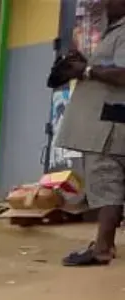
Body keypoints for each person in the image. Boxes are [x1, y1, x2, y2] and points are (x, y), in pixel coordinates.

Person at [48, 0, 125, 266]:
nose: (104, 2)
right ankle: (104, 244)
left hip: (108, 125)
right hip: (103, 122)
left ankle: (103, 248)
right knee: (107, 183)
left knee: (107, 185)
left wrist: (88, 70)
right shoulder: (109, 30)